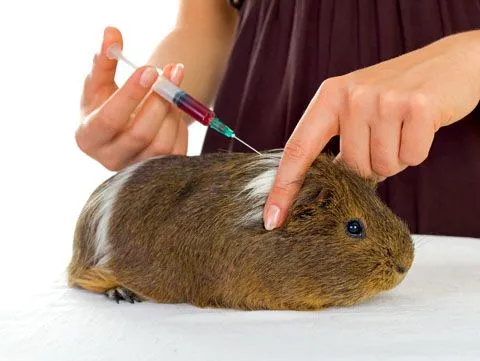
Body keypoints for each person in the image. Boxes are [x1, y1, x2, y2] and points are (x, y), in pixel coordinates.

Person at [76, 0, 480, 238]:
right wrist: (146, 105)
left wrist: (469, 57)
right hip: (255, 181)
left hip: (456, 177)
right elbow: (207, 24)